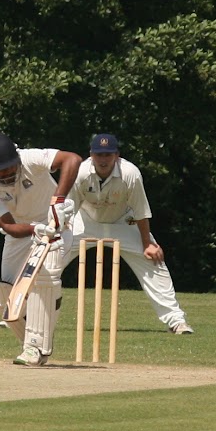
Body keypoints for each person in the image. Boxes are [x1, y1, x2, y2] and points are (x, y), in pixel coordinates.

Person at [68, 133, 193, 335]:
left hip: (123, 223)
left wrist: (147, 243)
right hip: (86, 221)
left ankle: (176, 321)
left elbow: (141, 211)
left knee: (154, 262)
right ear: (91, 154)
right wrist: (57, 235)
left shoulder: (130, 174)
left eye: (108, 154)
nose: (103, 159)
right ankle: (19, 311)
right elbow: (69, 208)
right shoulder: (81, 172)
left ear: (116, 155)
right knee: (51, 253)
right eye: (99, 154)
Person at [0, 133, 81, 365]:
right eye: (0, 170)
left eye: (10, 167)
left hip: (58, 224)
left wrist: (58, 201)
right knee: (6, 295)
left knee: (44, 279)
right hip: (23, 231)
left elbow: (72, 159)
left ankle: (35, 349)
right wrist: (37, 229)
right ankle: (32, 344)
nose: (7, 173)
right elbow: (9, 226)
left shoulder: (30, 158)